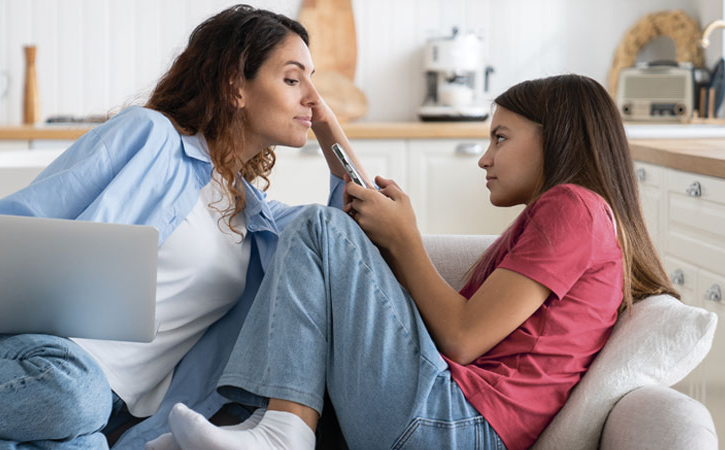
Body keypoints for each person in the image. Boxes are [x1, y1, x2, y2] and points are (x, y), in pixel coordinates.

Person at [149, 74, 681, 450]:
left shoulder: (574, 208)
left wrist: (407, 242)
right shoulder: (567, 217)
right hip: (449, 417)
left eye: (500, 137)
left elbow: (463, 337)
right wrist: (328, 126)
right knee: (329, 232)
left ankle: (278, 430)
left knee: (319, 226)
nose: (484, 156)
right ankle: (257, 427)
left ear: (558, 138)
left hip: (455, 427)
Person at [0, 5, 369, 449]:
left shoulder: (260, 220)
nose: (313, 96)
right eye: (293, 79)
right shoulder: (151, 136)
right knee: (77, 392)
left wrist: (329, 128)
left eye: (314, 80)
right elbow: (35, 213)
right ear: (236, 84)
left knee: (84, 443)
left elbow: (347, 231)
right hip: (29, 359)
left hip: (112, 412)